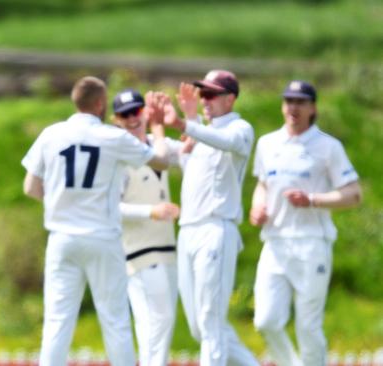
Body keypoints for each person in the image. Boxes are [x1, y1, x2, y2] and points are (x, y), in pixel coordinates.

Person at [21, 76, 175, 366]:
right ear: (101, 103)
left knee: (57, 321)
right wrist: (157, 127)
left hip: (62, 238)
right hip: (102, 237)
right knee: (115, 320)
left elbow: (30, 187)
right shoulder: (113, 137)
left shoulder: (51, 134)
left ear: (75, 101)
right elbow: (161, 161)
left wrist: (61, 203)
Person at [250, 81, 362, 366]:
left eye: (300, 102)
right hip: (274, 243)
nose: (293, 107)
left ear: (313, 107)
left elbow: (353, 194)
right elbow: (263, 184)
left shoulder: (327, 147)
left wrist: (312, 199)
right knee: (266, 321)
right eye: (288, 101)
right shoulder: (267, 143)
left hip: (312, 242)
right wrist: (257, 208)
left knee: (308, 327)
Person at [157, 70, 260, 366]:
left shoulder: (240, 129)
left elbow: (223, 141)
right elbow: (170, 151)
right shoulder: (199, 133)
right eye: (203, 94)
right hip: (188, 231)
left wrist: (184, 123)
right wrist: (146, 124)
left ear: (231, 98)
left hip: (217, 229)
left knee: (210, 321)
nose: (205, 100)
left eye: (212, 94)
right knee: (199, 327)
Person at [113, 88, 183, 366]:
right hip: (139, 251)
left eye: (137, 111)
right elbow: (112, 209)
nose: (132, 118)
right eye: (125, 114)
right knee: (158, 320)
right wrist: (150, 211)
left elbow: (188, 150)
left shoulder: (158, 142)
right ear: (116, 119)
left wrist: (181, 120)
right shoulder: (119, 157)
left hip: (167, 248)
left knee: (155, 324)